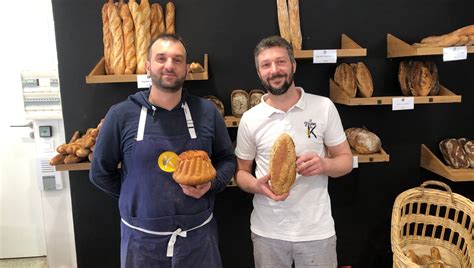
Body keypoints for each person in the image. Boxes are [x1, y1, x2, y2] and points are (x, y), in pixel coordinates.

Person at [90, 33, 236, 268]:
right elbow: (100, 173)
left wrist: (212, 184)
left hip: (198, 241)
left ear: (187, 69)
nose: (169, 65)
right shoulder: (120, 115)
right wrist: (138, 198)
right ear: (148, 66)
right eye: (161, 58)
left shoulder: (207, 112)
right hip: (141, 244)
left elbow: (227, 160)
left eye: (178, 60)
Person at [234, 35, 353, 268]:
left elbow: (346, 161)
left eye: (281, 62)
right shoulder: (250, 119)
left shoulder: (323, 107)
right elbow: (241, 173)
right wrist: (255, 185)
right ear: (259, 73)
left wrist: (324, 164)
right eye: (266, 65)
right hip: (268, 232)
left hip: (316, 232)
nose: (274, 70)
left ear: (293, 65)